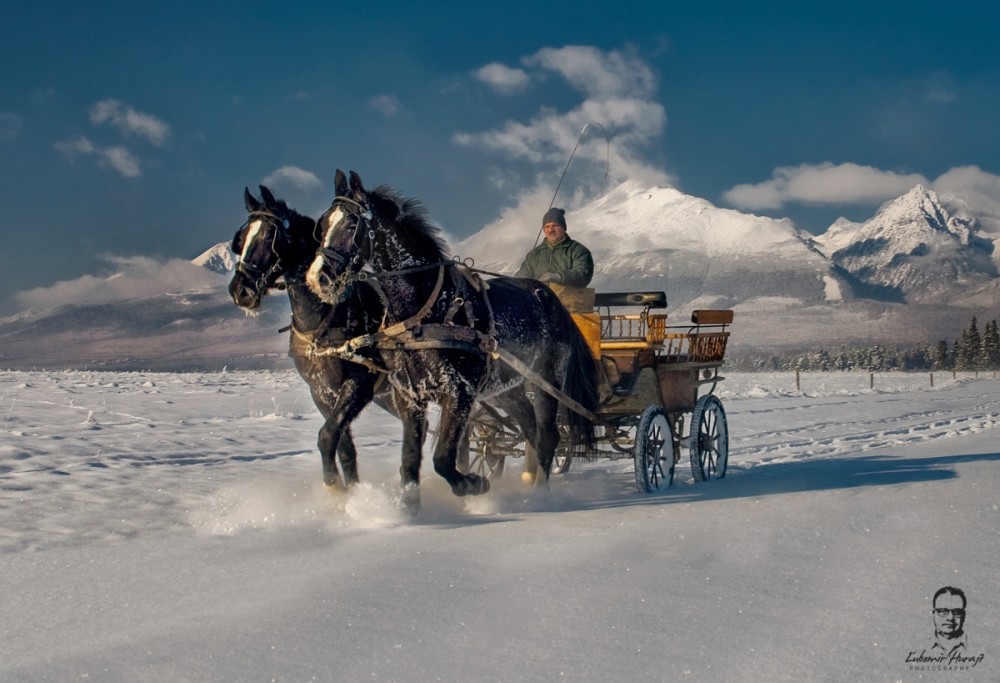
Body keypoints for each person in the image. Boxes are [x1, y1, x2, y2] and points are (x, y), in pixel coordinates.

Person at [515, 207, 594, 287]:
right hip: (540, 298)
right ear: (544, 230)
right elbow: (520, 279)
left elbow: (583, 274)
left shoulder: (578, 250)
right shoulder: (533, 255)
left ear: (564, 228)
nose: (551, 230)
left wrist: (559, 277)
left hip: (568, 298)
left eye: (555, 225)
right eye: (547, 226)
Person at [930, 587, 967, 656]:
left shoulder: (978, 646)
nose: (950, 617)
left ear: (964, 616)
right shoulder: (917, 645)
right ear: (933, 615)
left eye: (957, 612)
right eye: (943, 611)